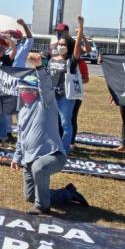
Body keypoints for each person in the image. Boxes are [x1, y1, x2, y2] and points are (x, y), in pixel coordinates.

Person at [11, 53, 88, 215]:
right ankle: (67, 193)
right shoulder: (22, 110)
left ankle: (43, 207)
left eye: (27, 89)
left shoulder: (46, 103)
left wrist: (39, 66)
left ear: (35, 91)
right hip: (29, 158)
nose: (23, 91)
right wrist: (17, 157)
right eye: (22, 89)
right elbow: (21, 138)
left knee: (39, 169)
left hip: (53, 155)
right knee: (30, 196)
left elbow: (45, 85)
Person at [46, 16, 84, 154]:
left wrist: (81, 29)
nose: (61, 46)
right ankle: (54, 147)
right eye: (59, 44)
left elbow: (78, 47)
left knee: (65, 123)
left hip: (66, 97)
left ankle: (64, 149)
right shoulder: (52, 59)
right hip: (52, 96)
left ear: (69, 47)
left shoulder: (71, 61)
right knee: (53, 123)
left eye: (64, 45)